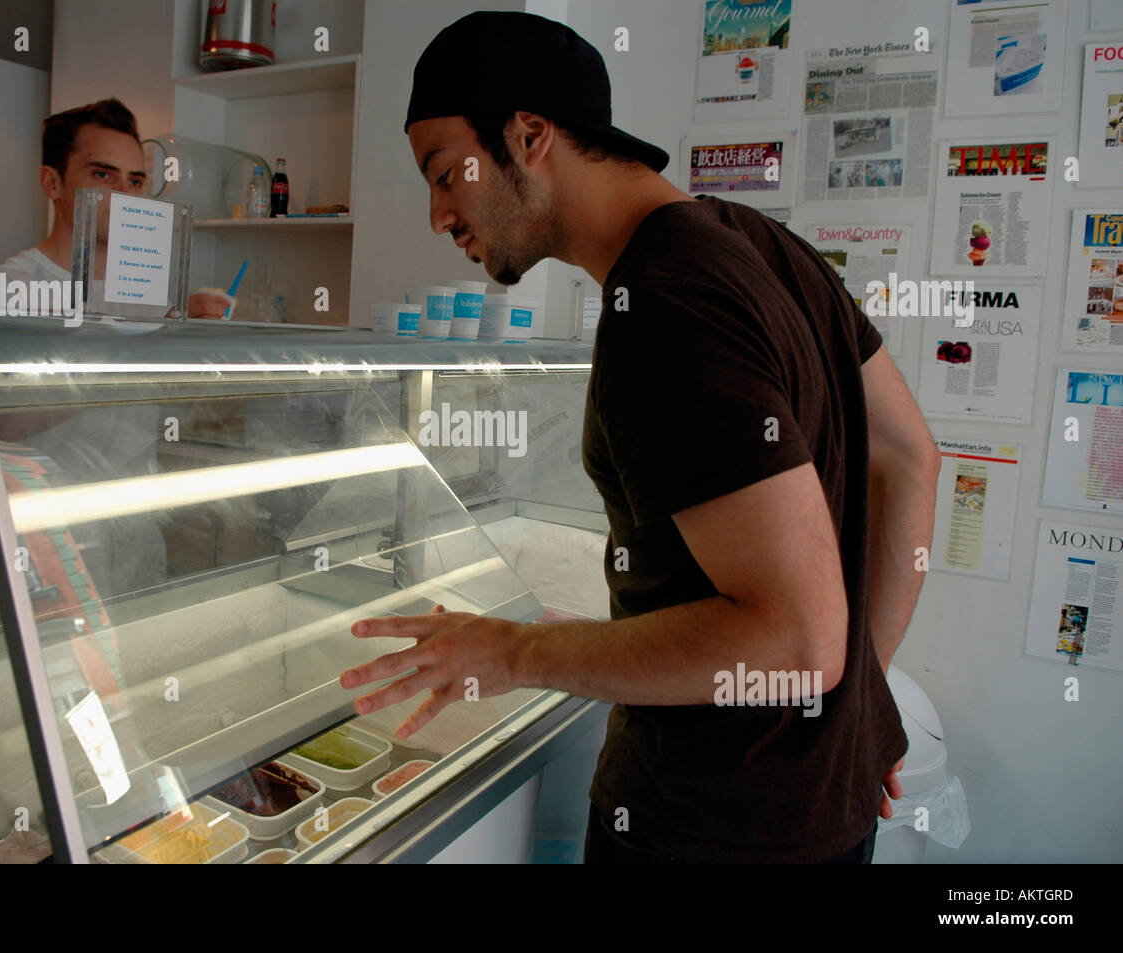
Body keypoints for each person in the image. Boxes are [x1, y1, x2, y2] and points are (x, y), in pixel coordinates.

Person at [340, 12, 941, 864]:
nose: (440, 214)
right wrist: (859, 710)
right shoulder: (763, 242)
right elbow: (912, 456)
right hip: (827, 819)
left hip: (709, 829)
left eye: (447, 174)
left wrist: (516, 650)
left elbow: (799, 638)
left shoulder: (662, 302)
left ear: (531, 134)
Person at [0, 97, 230, 319]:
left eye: (134, 181)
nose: (125, 195)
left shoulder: (149, 294)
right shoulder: (9, 286)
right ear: (53, 183)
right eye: (102, 175)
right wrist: (160, 335)